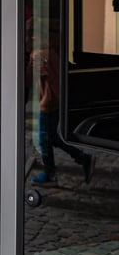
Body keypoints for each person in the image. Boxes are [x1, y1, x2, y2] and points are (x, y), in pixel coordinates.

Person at [30, 43, 95, 186]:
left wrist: (45, 102)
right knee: (52, 138)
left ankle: (50, 174)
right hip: (55, 101)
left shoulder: (39, 54)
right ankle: (83, 158)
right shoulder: (51, 51)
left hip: (48, 103)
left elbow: (39, 79)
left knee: (43, 140)